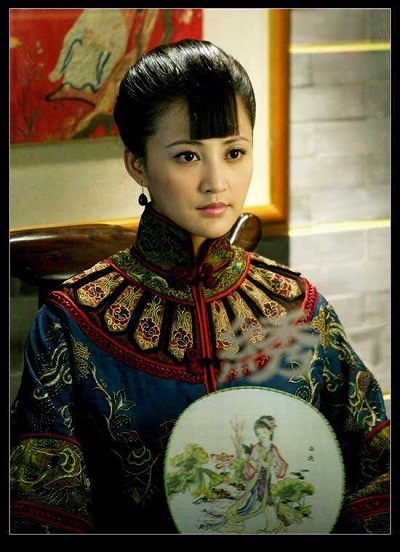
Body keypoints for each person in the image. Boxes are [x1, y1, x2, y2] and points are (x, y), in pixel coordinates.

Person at [10, 38, 389, 534]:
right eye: (188, 156)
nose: (217, 181)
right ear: (137, 163)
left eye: (234, 152)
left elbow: (377, 473)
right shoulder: (71, 324)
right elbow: (44, 512)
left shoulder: (299, 307)